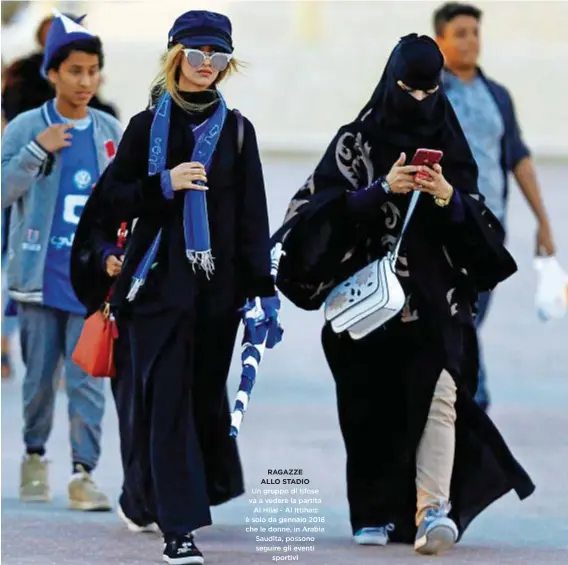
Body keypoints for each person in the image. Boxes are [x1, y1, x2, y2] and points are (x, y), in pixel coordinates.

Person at [273, 34, 534, 556]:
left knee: (441, 400)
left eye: (428, 91)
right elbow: (308, 220)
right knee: (370, 411)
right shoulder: (356, 142)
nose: (418, 102)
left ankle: (431, 511)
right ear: (389, 82)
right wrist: (379, 191)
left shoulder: (450, 144)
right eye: (406, 91)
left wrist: (448, 198)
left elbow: (482, 229)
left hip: (436, 307)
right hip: (366, 310)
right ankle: (373, 511)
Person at [71, 10, 278, 564]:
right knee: (164, 406)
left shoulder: (237, 132)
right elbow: (110, 202)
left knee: (196, 401)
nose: (206, 64)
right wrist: (165, 183)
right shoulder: (145, 127)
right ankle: (178, 530)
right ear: (174, 57)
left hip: (216, 297)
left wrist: (263, 292)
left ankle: (142, 497)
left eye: (218, 54)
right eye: (196, 52)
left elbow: (251, 219)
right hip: (155, 292)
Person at [1, 11, 122, 510]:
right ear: (53, 72)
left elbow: (125, 204)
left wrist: (118, 256)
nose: (85, 81)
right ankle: (33, 456)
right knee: (37, 382)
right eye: (75, 70)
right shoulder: (30, 126)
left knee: (87, 380)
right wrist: (35, 151)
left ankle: (83, 473)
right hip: (37, 277)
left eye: (92, 71)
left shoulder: (110, 131)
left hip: (89, 282)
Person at [433, 2, 557, 411]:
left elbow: (517, 157)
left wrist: (542, 220)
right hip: (441, 223)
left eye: (475, 32)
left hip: (489, 226)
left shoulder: (497, 96)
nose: (470, 41)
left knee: (469, 314)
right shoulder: (429, 93)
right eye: (461, 33)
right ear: (441, 40)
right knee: (456, 314)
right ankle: (471, 398)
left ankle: (462, 396)